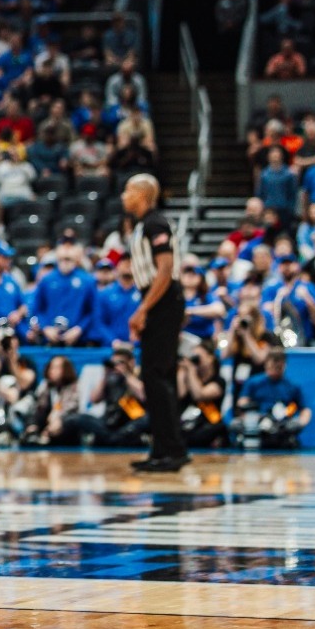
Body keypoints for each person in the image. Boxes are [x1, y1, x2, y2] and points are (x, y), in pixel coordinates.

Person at [122, 174, 189, 472]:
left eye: (129, 190)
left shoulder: (155, 223)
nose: (124, 196)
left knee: (156, 375)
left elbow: (165, 270)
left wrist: (143, 310)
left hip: (161, 299)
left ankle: (171, 451)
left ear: (143, 194)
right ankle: (164, 449)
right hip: (159, 299)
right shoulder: (143, 226)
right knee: (157, 377)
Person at [235, 347, 310, 448]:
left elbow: (305, 409)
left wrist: (301, 422)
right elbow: (242, 402)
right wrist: (251, 415)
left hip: (282, 423)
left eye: (278, 367)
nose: (274, 370)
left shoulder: (292, 386)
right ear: (266, 364)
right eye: (272, 366)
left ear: (284, 365)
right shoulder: (254, 382)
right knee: (235, 424)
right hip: (258, 420)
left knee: (293, 425)